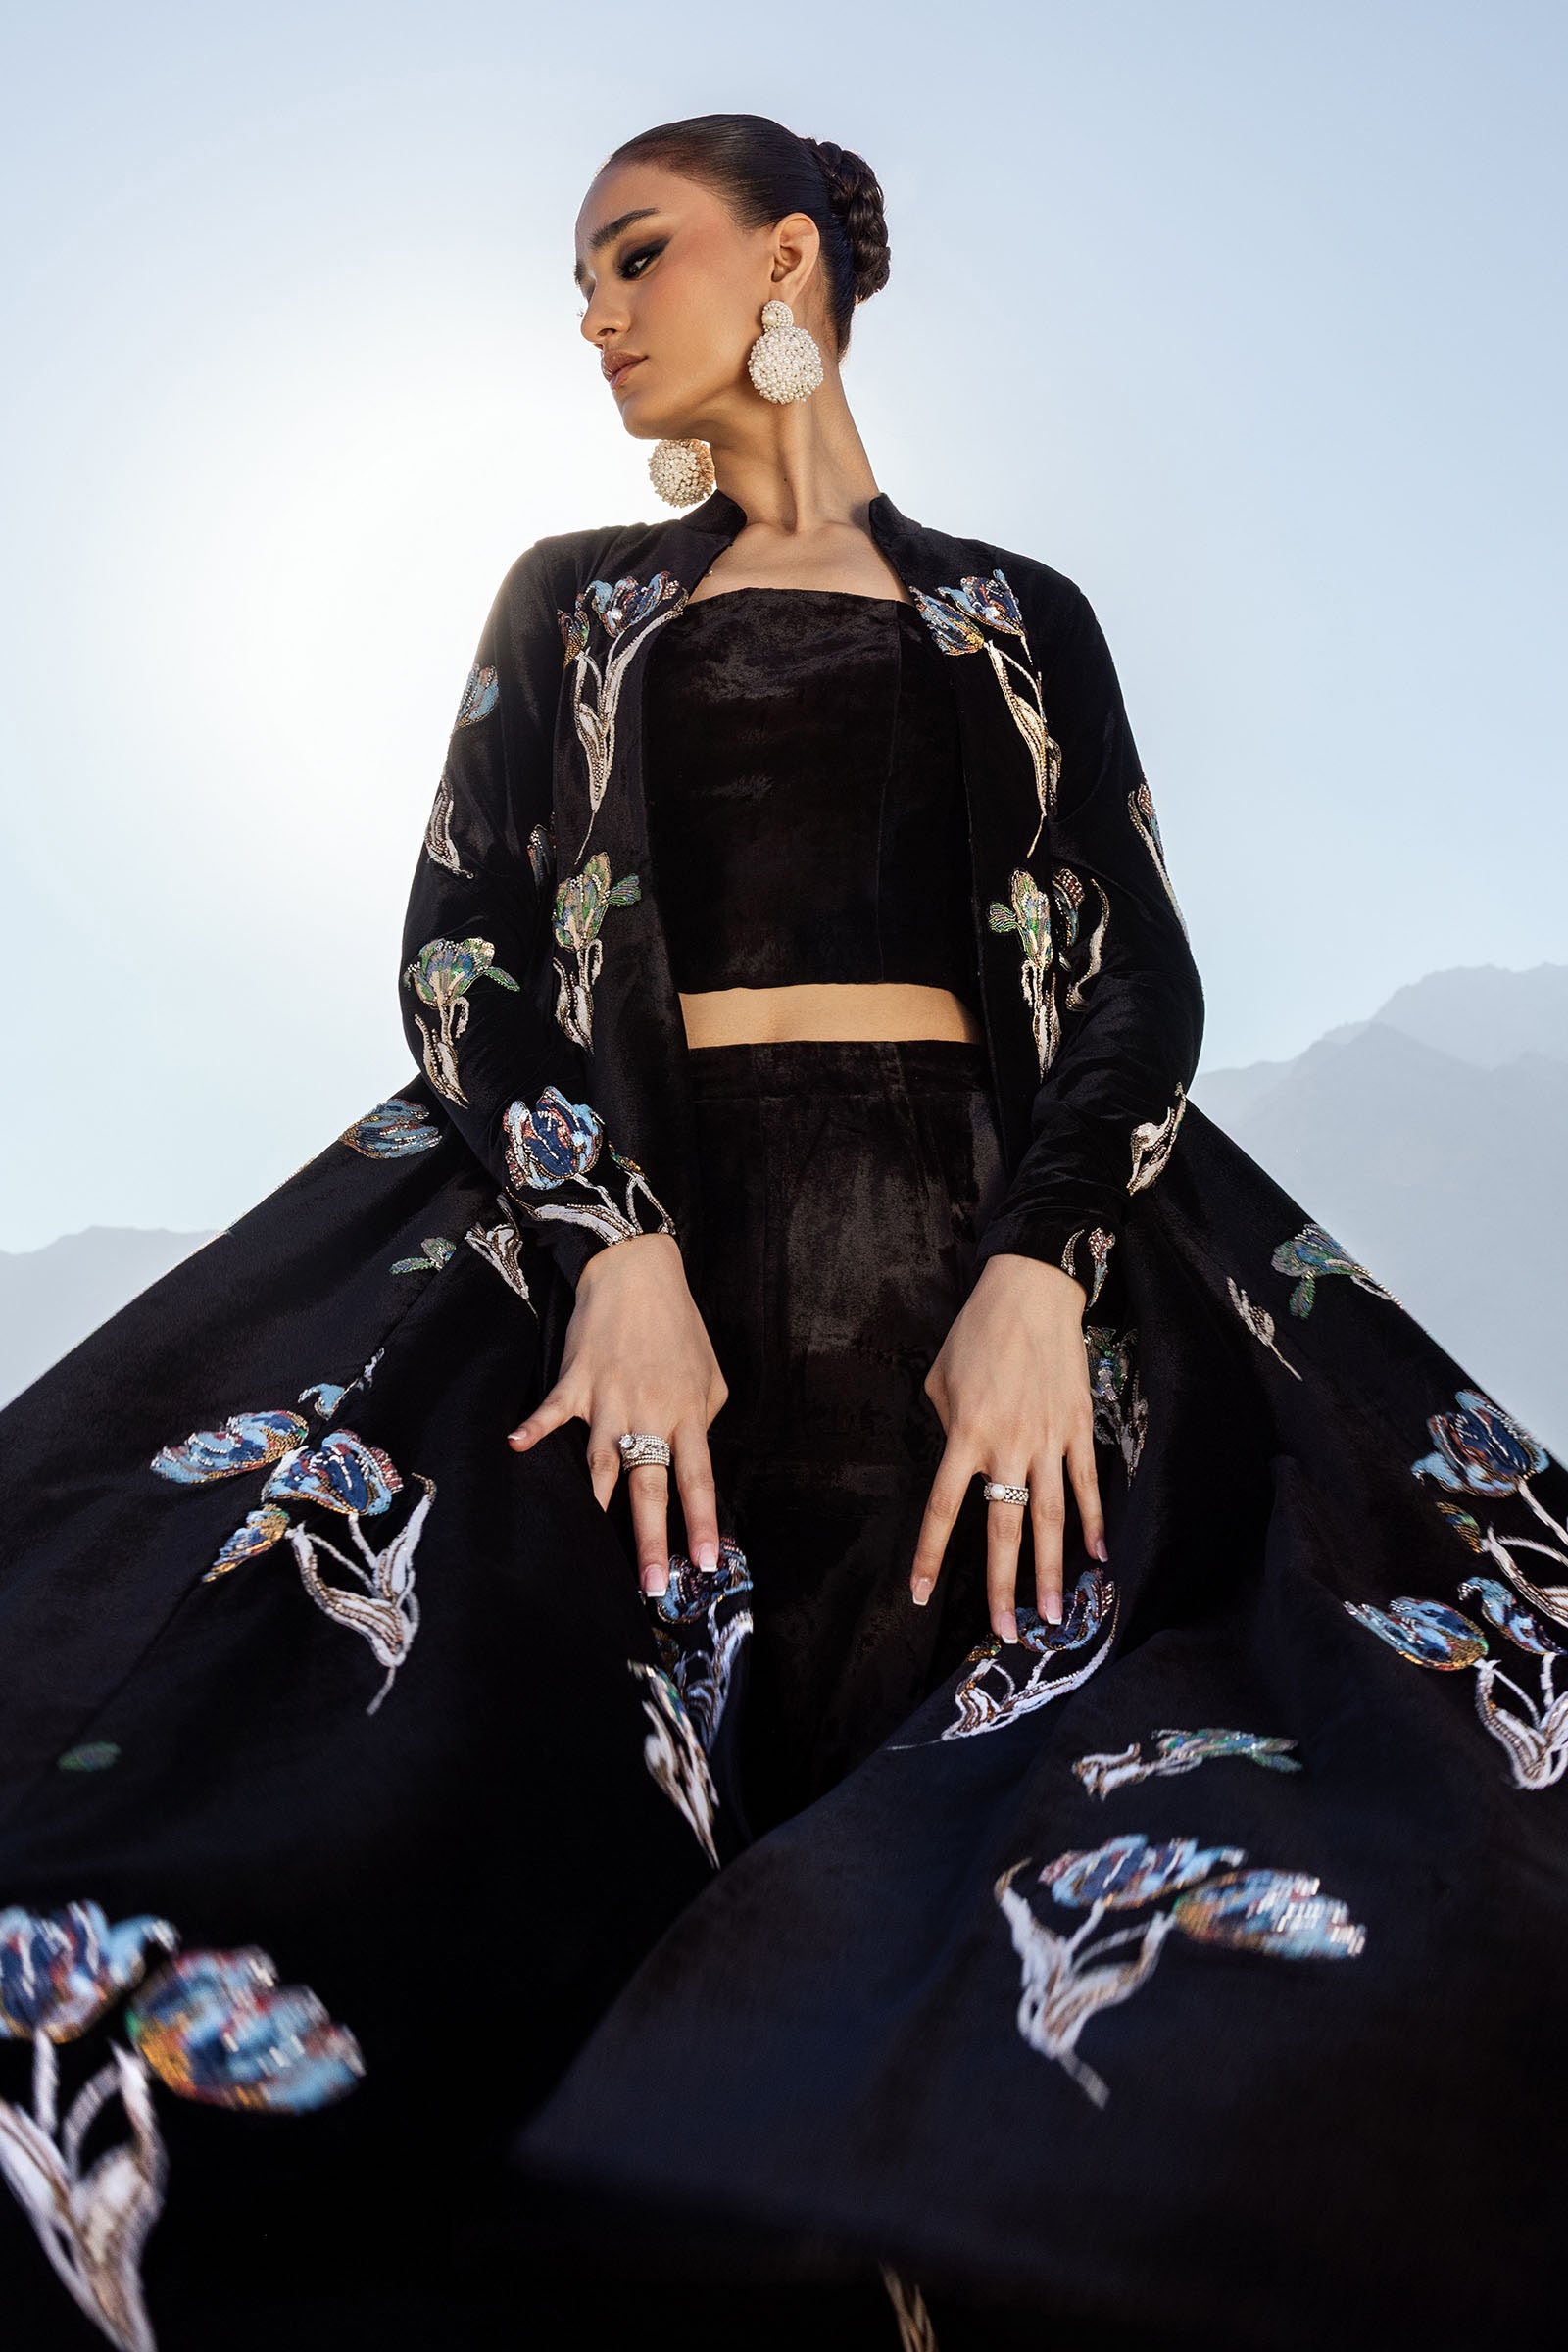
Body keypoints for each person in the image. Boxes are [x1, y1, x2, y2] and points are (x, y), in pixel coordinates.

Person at [0, 110, 1558, 2352]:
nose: (594, 311)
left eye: (635, 252)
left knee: (1031, 1908)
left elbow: (1135, 974)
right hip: (645, 1297)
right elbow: (460, 954)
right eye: (579, 276)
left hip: (982, 1289)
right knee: (511, 1867)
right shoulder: (576, 601)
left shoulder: (1011, 611)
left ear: (789, 260)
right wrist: (612, 1250)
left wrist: (1034, 1271)